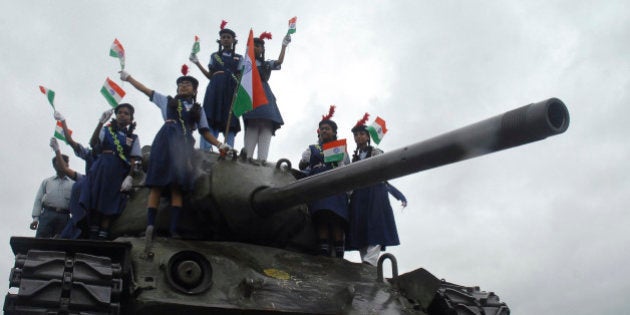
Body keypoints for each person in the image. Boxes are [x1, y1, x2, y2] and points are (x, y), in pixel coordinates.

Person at [120, 68, 230, 239]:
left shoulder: (198, 110)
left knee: (177, 187)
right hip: (165, 142)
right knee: (156, 185)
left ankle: (173, 229)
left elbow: (205, 132)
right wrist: (129, 78)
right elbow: (145, 90)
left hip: (184, 145)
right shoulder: (167, 101)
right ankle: (150, 226)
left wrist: (220, 144)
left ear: (194, 90)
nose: (183, 86)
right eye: (180, 84)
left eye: (188, 84)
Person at [345, 113, 407, 266]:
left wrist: (399, 195)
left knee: (376, 224)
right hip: (359, 195)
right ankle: (365, 261)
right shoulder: (354, 158)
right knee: (360, 226)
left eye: (361, 134)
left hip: (375, 193)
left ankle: (370, 261)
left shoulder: (376, 152)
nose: (358, 137)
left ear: (368, 136)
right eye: (356, 135)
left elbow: (383, 173)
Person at [80, 103, 141, 239]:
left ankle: (103, 235)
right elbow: (93, 142)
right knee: (96, 199)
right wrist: (100, 123)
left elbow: (134, 159)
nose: (122, 115)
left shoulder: (133, 138)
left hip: (118, 171)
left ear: (131, 119)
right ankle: (93, 235)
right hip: (102, 167)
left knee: (110, 203)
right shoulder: (106, 131)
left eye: (126, 113)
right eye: (119, 112)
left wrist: (130, 177)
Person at [53, 109, 113, 238]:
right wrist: (63, 122)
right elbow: (70, 143)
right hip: (90, 188)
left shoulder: (113, 159)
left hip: (105, 191)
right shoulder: (90, 155)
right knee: (80, 186)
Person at [299, 106, 350, 258]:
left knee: (336, 220)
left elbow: (346, 167)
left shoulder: (340, 149)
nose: (324, 131)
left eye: (327, 129)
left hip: (336, 189)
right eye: (322, 129)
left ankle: (339, 253)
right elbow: (303, 163)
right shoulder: (312, 149)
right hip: (318, 188)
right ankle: (323, 251)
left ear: (334, 132)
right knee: (321, 218)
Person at [190, 20, 242, 151]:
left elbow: (240, 77)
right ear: (220, 40)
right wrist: (197, 63)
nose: (225, 39)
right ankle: (206, 148)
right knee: (210, 116)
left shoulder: (239, 58)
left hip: (231, 90)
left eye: (228, 37)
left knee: (230, 120)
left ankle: (228, 150)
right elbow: (209, 75)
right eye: (223, 37)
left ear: (233, 40)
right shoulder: (215, 56)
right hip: (215, 89)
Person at [241, 32, 291, 162]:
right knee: (251, 130)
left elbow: (279, 62)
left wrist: (284, 46)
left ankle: (262, 161)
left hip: (266, 97)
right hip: (251, 97)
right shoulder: (244, 63)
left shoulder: (266, 64)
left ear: (263, 49)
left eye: (259, 46)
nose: (257, 48)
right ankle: (247, 159)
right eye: (254, 45)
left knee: (266, 129)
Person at [30, 151, 74, 238]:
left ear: (67, 165)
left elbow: (75, 203)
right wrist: (35, 219)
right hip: (48, 214)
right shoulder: (47, 182)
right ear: (54, 166)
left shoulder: (73, 184)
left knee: (62, 242)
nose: (60, 166)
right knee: (41, 241)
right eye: (57, 164)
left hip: (64, 216)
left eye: (62, 162)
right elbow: (38, 200)